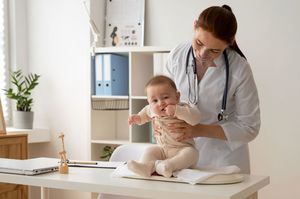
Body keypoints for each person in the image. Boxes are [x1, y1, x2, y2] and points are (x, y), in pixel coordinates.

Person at [164, 5, 260, 174]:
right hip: (180, 155)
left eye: (215, 50)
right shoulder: (177, 55)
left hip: (224, 160)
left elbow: (250, 128)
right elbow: (163, 97)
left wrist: (198, 129)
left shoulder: (239, 69)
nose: (202, 54)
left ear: (228, 44)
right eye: (199, 43)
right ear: (194, 26)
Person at [127, 75, 201, 178]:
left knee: (192, 153)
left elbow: (196, 118)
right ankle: (146, 167)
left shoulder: (182, 108)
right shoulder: (151, 110)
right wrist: (138, 118)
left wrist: (177, 111)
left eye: (165, 97)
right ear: (149, 102)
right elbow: (144, 114)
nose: (161, 103)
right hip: (163, 151)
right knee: (151, 150)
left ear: (177, 96)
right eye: (155, 101)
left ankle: (169, 166)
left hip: (182, 149)